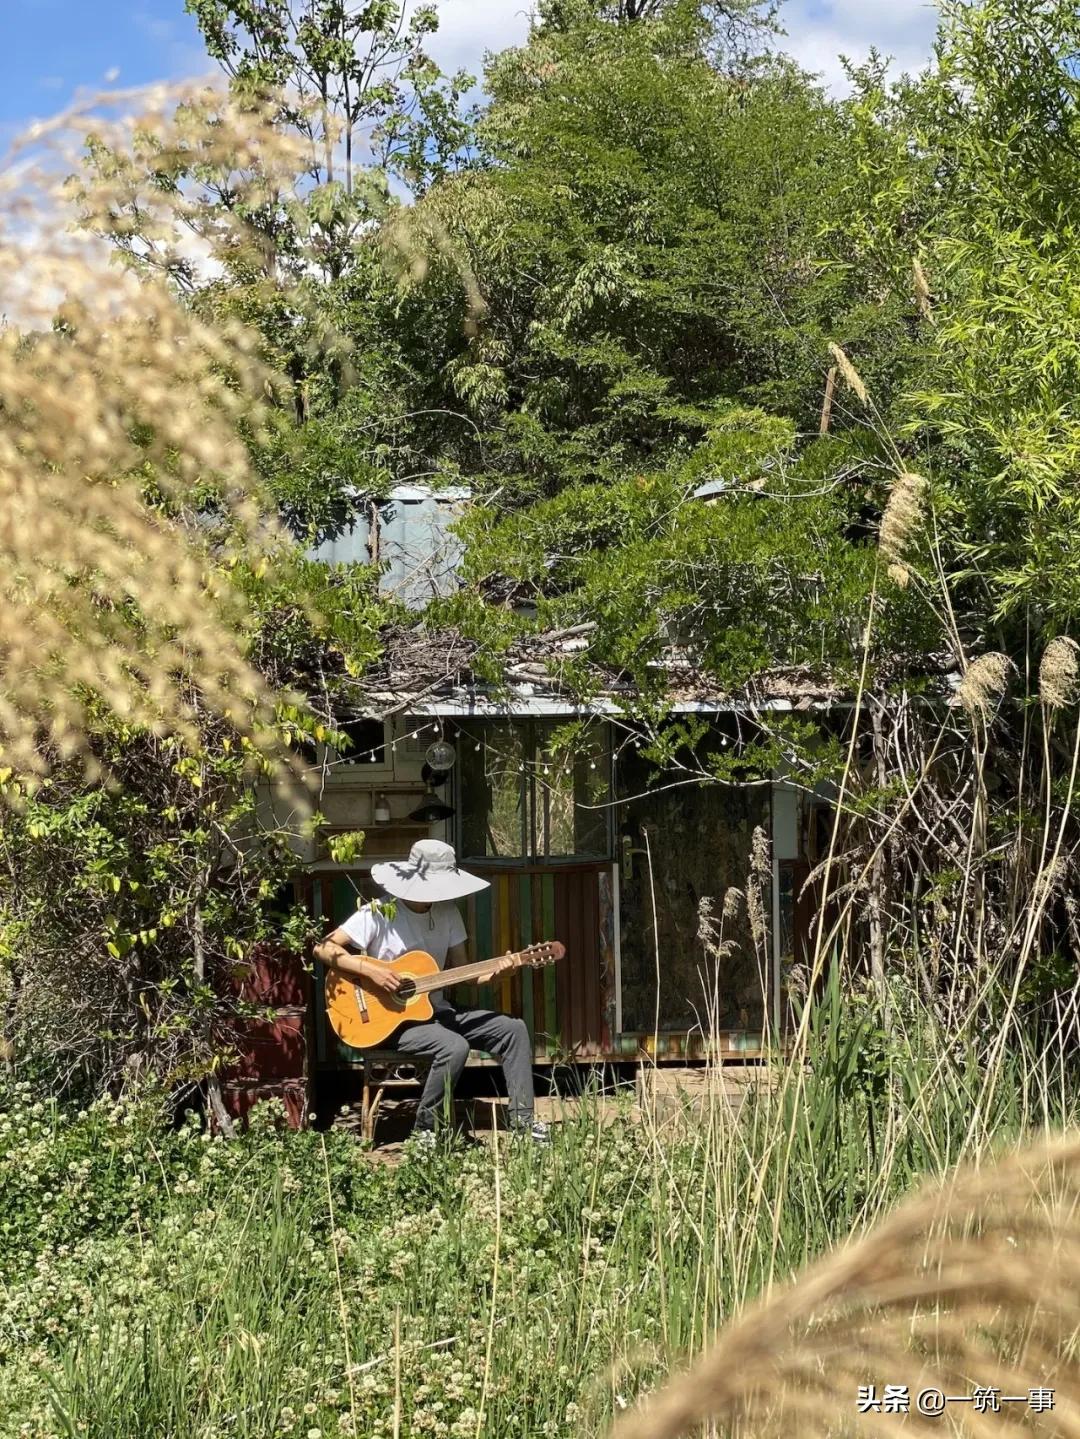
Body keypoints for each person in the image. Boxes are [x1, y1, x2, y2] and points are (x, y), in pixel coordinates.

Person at [315, 839, 549, 1147]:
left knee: (513, 1030)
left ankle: (523, 1124)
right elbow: (323, 948)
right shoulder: (378, 912)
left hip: (437, 1013)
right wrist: (371, 970)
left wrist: (502, 971)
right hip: (392, 1024)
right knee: (454, 1047)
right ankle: (425, 1132)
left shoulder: (448, 913)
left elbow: (465, 974)